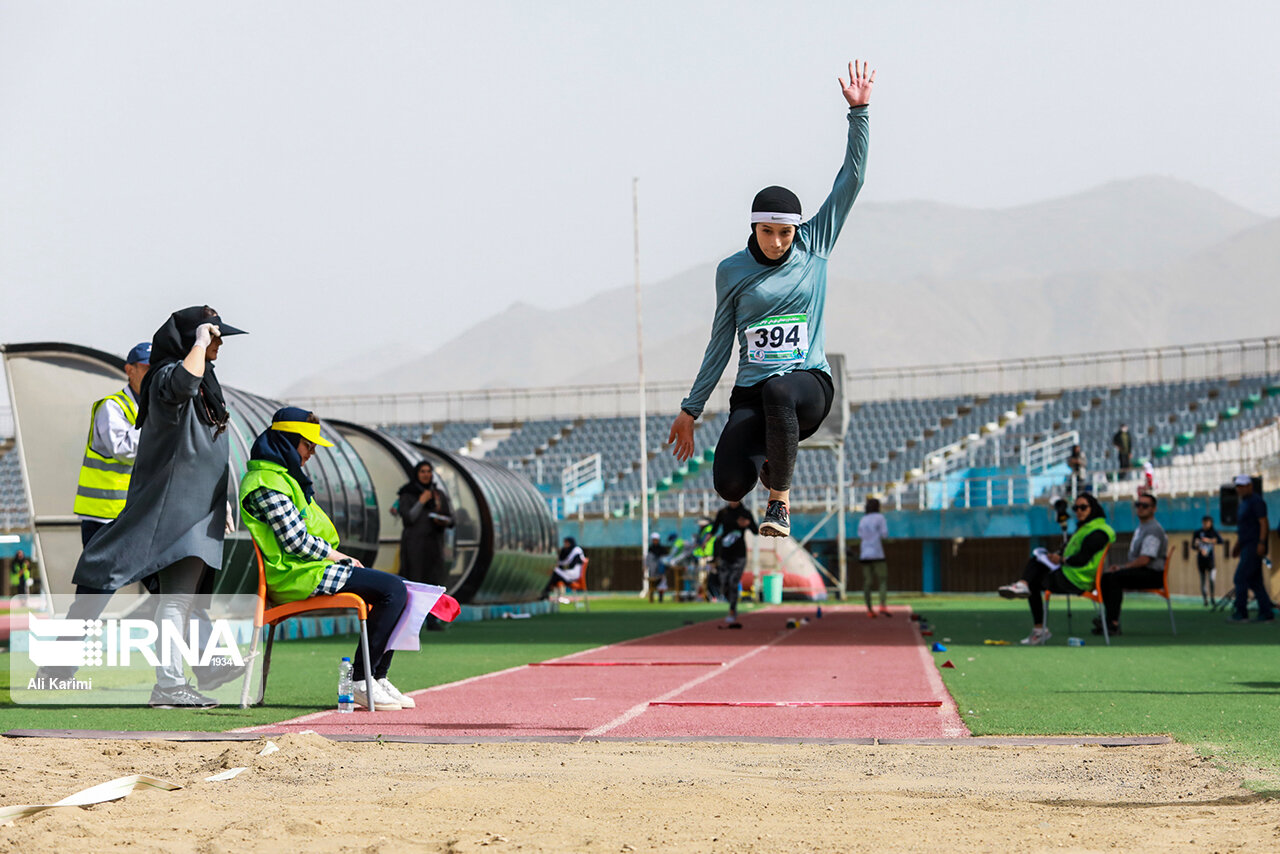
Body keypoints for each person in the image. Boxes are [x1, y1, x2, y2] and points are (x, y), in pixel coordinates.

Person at [668, 60, 874, 539]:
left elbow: (853, 179)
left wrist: (859, 113)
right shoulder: (732, 272)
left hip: (805, 388)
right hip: (753, 392)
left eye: (785, 233)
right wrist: (690, 408)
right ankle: (769, 462)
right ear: (753, 228)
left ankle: (779, 502)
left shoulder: (814, 244)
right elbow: (721, 343)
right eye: (768, 232)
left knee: (781, 390)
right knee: (729, 483)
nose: (778, 242)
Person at [72, 306, 246, 708]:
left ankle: (181, 679)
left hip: (197, 512)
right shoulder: (168, 377)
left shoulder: (206, 384)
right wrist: (200, 342)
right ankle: (164, 683)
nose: (219, 343)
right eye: (213, 336)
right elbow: (182, 383)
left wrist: (220, 503)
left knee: (179, 603)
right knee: (139, 599)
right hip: (160, 514)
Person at [240, 407, 412, 711]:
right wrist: (340, 557)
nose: (313, 453)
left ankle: (376, 676)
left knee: (400, 591)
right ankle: (361, 680)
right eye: (308, 445)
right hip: (295, 574)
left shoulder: (285, 478)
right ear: (288, 441)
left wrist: (336, 559)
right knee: (394, 590)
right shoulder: (266, 482)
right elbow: (295, 542)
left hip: (311, 569)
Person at [997, 493, 1116, 645]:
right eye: (1076, 508)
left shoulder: (1100, 531)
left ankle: (1036, 622)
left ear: (1094, 509)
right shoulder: (1085, 528)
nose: (1079, 511)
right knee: (1038, 565)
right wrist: (1057, 557)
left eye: (1083, 507)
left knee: (1034, 576)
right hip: (1069, 575)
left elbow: (1082, 559)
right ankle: (1024, 589)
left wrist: (1061, 560)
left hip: (1076, 579)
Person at [74, 342, 151, 547]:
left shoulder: (153, 408)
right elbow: (123, 451)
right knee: (97, 579)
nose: (152, 375)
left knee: (153, 578)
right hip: (104, 517)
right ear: (129, 370)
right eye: (146, 369)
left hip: (138, 514)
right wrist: (155, 422)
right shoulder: (112, 407)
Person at [1095, 493, 1168, 636]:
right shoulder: (1142, 527)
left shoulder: (1153, 530)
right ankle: (1109, 619)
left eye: (1145, 506)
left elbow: (1145, 559)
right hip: (1144, 571)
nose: (1140, 508)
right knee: (1106, 577)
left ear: (1154, 509)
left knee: (1114, 578)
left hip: (1152, 574)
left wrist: (1122, 567)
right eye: (1138, 505)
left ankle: (1113, 623)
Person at [397, 461, 454, 630]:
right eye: (422, 471)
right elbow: (408, 518)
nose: (426, 474)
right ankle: (412, 621)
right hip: (414, 545)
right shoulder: (407, 493)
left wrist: (442, 520)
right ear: (417, 473)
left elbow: (451, 519)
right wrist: (421, 501)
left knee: (433, 582)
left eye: (429, 471)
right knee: (415, 581)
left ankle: (432, 620)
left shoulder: (437, 494)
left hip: (434, 545)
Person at [1228, 474, 1275, 624]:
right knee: (1255, 581)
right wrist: (1237, 545)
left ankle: (1241, 612)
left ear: (1250, 486)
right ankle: (1266, 612)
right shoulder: (1243, 503)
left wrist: (1262, 542)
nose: (1239, 489)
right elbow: (1243, 527)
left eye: (1242, 486)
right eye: (1238, 486)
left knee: (1240, 578)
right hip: (1246, 544)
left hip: (1254, 545)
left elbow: (1263, 523)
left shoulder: (1256, 502)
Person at [707, 500, 757, 628]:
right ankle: (729, 601)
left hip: (739, 555)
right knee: (724, 582)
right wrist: (705, 540)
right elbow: (714, 529)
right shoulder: (723, 513)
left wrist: (748, 524)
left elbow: (755, 531)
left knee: (733, 582)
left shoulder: (745, 513)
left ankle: (732, 610)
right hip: (725, 554)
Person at [857, 497, 890, 617]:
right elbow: (884, 534)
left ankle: (869, 609)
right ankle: (882, 604)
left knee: (867, 582)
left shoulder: (863, 519)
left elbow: (860, 534)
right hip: (877, 553)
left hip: (865, 553)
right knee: (882, 579)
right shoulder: (880, 518)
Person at [1192, 515, 1224, 607]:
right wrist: (1198, 547)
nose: (1206, 524)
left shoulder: (1213, 532)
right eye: (1204, 522)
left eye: (1208, 522)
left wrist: (1209, 540)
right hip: (1201, 561)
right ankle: (1205, 599)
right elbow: (1193, 546)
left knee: (1211, 580)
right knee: (1203, 581)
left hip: (1211, 561)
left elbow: (1221, 541)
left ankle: (1212, 598)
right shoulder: (1198, 532)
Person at [549, 536, 586, 603]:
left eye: (566, 543)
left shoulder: (577, 551)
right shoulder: (565, 550)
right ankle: (556, 595)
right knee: (552, 573)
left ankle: (547, 593)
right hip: (565, 572)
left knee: (554, 573)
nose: (565, 545)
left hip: (573, 574)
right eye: (564, 543)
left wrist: (560, 567)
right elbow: (560, 561)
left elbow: (571, 566)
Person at [645, 532, 669, 603]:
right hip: (653, 570)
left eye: (656, 539)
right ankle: (651, 598)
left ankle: (660, 598)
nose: (655, 541)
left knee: (661, 583)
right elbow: (648, 558)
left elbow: (665, 560)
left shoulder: (662, 549)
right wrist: (646, 565)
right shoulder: (651, 549)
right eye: (654, 540)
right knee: (652, 583)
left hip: (660, 571)